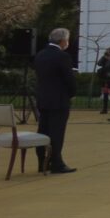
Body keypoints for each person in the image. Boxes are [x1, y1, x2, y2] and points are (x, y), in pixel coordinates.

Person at [35, 27, 77, 174]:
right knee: (56, 132)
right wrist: (72, 93)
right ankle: (56, 162)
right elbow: (69, 79)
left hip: (43, 98)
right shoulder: (62, 56)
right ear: (63, 40)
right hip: (59, 100)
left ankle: (42, 161)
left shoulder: (40, 54)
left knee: (43, 130)